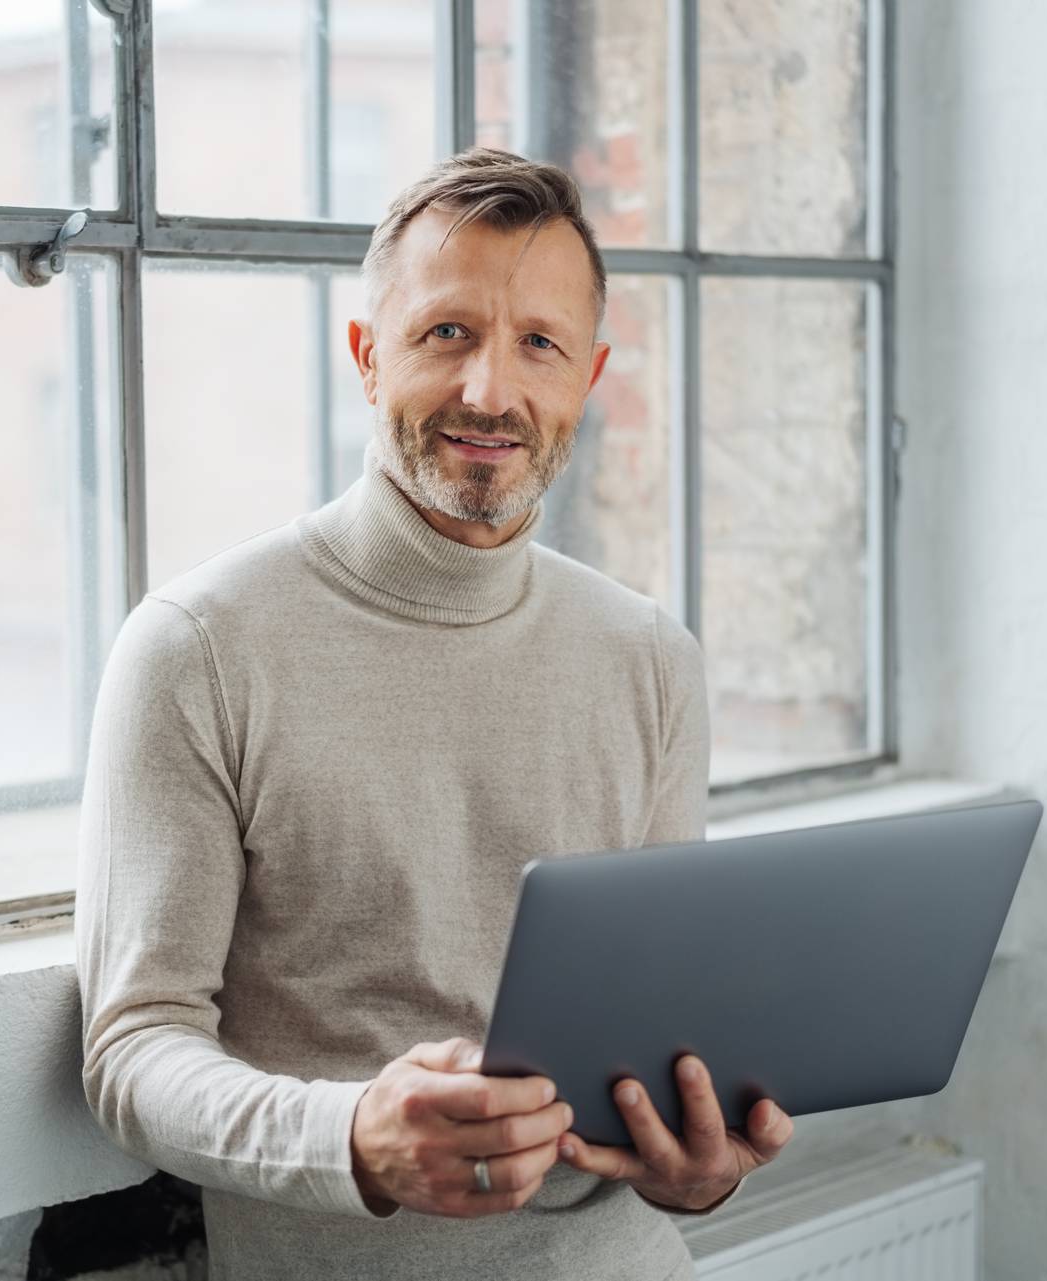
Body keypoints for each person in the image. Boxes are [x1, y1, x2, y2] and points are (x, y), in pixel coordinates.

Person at [75, 146, 793, 1281]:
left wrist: (694, 1165)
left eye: (539, 346)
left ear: (588, 380)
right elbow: (130, 1050)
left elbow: (652, 1037)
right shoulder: (198, 648)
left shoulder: (651, 659)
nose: (490, 394)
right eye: (446, 333)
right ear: (368, 357)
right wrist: (351, 1140)